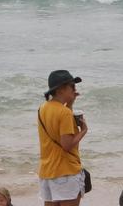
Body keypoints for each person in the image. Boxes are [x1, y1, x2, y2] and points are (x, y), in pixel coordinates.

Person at [37, 69, 88, 206]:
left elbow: (56, 131)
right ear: (60, 89)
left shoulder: (42, 108)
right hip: (66, 171)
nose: (74, 89)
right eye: (72, 86)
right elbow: (67, 145)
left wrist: (70, 105)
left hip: (47, 171)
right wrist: (83, 131)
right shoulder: (64, 112)